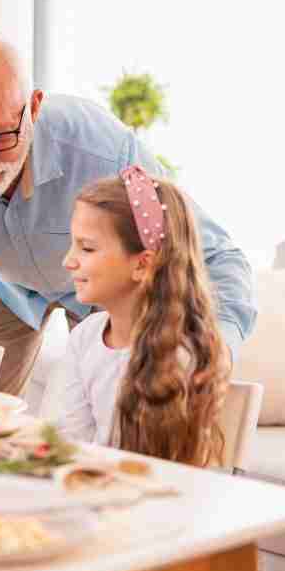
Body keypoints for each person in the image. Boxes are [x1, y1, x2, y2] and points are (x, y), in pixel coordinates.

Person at [0, 34, 255, 395]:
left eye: (0, 137)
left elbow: (214, 256)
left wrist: (217, 344)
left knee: (116, 421)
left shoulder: (105, 153)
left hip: (103, 292)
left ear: (35, 106)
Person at [58, 167, 230, 466]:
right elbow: (69, 443)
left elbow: (176, 478)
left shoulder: (182, 354)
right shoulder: (85, 336)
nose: (68, 261)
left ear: (142, 264)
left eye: (86, 248)